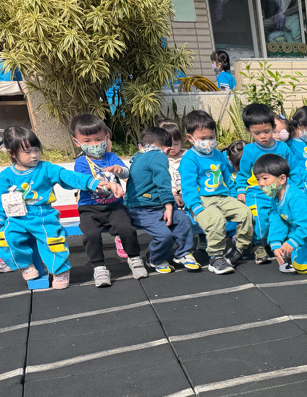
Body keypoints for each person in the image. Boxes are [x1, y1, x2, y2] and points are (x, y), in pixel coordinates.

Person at [0, 125, 122, 289]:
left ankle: (60, 270)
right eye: (27, 152)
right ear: (12, 154)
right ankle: (25, 265)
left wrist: (93, 183)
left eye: (36, 150)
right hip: (17, 216)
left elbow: (69, 176)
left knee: (53, 240)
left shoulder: (46, 168)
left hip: (43, 214)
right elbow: (1, 199)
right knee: (6, 237)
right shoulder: (6, 176)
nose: (34, 155)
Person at [70, 113, 148, 286]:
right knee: (91, 234)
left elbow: (126, 173)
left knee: (126, 228)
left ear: (106, 137)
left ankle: (134, 258)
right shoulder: (81, 162)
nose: (94, 144)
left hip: (114, 206)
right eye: (87, 141)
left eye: (98, 139)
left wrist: (120, 170)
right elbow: (89, 183)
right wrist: (110, 185)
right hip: (90, 208)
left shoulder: (111, 157)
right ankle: (99, 267)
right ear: (77, 142)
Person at [179, 109, 253, 274]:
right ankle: (216, 257)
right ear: (190, 138)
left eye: (211, 137)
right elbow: (188, 187)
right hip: (202, 200)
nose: (208, 142)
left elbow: (228, 179)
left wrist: (235, 196)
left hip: (223, 197)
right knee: (216, 219)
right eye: (202, 138)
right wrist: (196, 207)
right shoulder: (189, 159)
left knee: (245, 213)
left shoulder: (219, 155)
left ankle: (239, 247)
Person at [234, 103, 303, 264]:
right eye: (257, 133)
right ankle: (258, 244)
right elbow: (243, 174)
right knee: (259, 216)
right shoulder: (250, 150)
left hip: (281, 191)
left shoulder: (283, 148)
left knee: (286, 215)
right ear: (248, 131)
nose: (263, 136)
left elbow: (293, 169)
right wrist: (241, 190)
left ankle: (285, 242)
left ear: (273, 127)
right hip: (258, 191)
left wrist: (298, 189)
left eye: (266, 131)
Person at [125, 126, 198, 273]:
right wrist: (169, 207)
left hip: (153, 205)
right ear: (167, 149)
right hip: (143, 208)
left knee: (182, 220)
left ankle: (183, 253)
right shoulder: (158, 156)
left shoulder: (139, 155)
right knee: (165, 235)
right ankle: (155, 258)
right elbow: (163, 182)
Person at [252, 153, 307, 275]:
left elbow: (306, 225)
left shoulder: (296, 198)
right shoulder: (275, 196)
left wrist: (293, 241)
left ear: (282, 179)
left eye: (265, 178)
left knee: (302, 267)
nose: (261, 183)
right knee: (289, 254)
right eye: (258, 179)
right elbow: (276, 220)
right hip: (301, 233)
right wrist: (275, 243)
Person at [156, 118, 186, 209]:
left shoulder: (187, 156)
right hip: (168, 194)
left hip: (188, 191)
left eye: (176, 144)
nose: (172, 147)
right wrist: (173, 194)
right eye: (168, 144)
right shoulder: (159, 159)